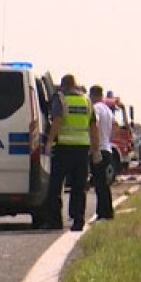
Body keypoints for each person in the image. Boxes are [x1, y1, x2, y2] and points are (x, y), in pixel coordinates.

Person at [43, 74, 99, 231]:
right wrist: (95, 149)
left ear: (63, 86)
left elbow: (57, 121)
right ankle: (78, 220)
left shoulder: (61, 99)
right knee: (79, 186)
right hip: (82, 148)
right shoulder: (87, 101)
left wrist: (49, 141)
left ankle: (55, 220)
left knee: (55, 185)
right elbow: (94, 127)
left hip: (63, 147)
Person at [89, 85, 114, 220]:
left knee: (99, 184)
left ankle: (103, 213)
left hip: (99, 149)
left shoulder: (96, 108)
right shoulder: (108, 110)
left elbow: (94, 126)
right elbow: (113, 129)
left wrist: (94, 149)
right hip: (108, 148)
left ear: (92, 95)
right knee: (104, 183)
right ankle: (106, 211)